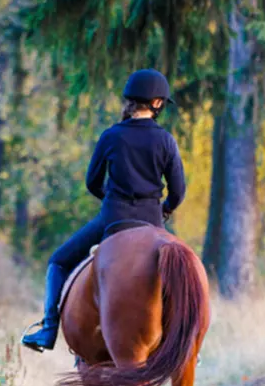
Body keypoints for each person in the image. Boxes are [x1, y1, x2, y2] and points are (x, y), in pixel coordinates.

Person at [22, 69, 187, 352]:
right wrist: (164, 210)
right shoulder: (166, 141)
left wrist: (111, 200)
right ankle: (185, 342)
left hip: (113, 220)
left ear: (131, 101)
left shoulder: (111, 136)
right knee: (182, 272)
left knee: (59, 261)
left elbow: (92, 182)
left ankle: (48, 330)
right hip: (152, 222)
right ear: (157, 103)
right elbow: (178, 191)